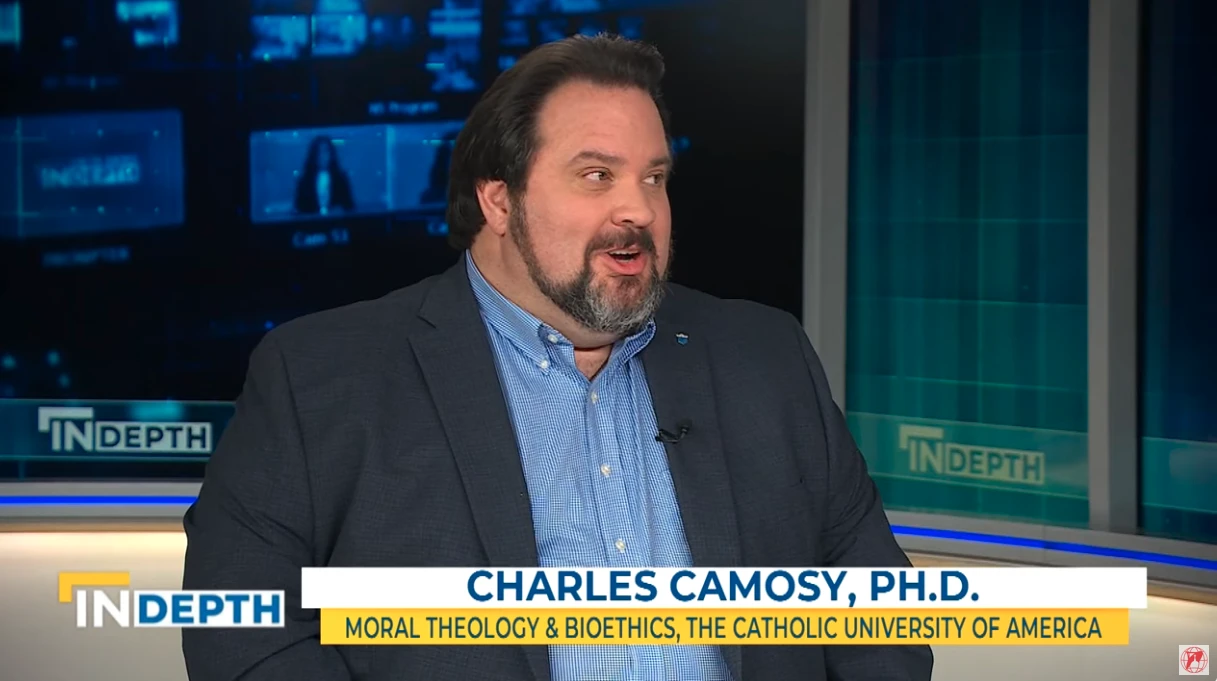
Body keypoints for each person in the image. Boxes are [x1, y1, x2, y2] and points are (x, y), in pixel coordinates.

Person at [181, 33, 933, 681]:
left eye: (653, 178)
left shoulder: (766, 356)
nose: (637, 209)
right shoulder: (318, 378)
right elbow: (240, 633)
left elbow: (880, 625)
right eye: (596, 175)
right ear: (499, 200)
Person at [293, 135, 355, 216]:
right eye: (318, 152)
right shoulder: (304, 181)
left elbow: (350, 206)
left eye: (325, 151)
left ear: (331, 154)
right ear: (313, 155)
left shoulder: (341, 179)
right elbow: (298, 209)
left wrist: (339, 211)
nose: (322, 156)